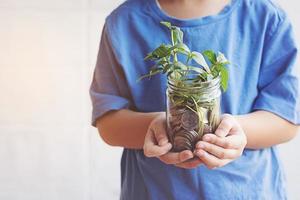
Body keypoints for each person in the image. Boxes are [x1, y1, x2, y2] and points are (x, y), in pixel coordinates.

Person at [90, 0, 299, 199]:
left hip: (246, 190)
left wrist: (235, 131)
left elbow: (287, 119)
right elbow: (108, 122)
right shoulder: (123, 23)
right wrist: (160, 127)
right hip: (154, 192)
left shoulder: (266, 17)